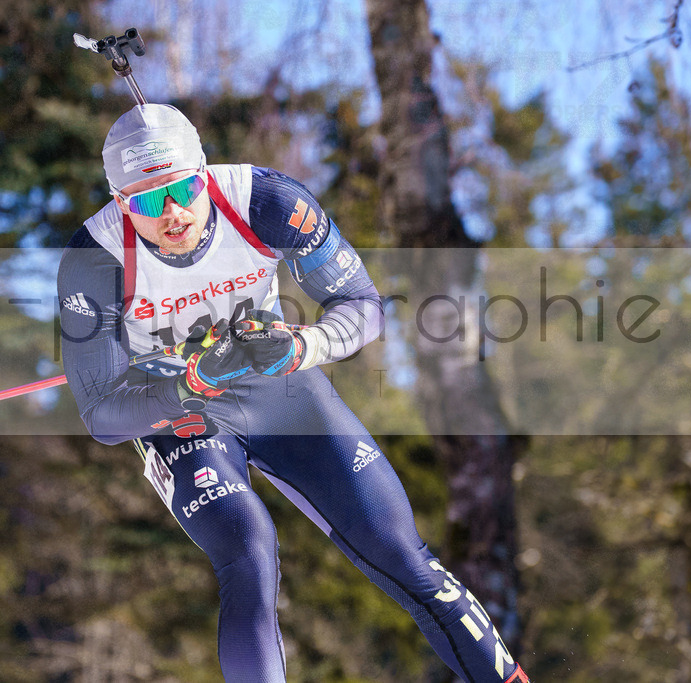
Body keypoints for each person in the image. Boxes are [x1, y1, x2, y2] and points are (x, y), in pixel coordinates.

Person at [57, 103, 530, 683]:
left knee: (400, 552)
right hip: (176, 405)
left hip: (276, 380)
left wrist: (304, 346)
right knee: (249, 550)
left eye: (183, 190)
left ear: (204, 173)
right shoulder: (94, 257)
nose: (173, 214)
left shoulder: (267, 202)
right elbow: (103, 415)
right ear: (119, 203)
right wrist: (193, 381)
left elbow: (363, 307)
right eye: (147, 203)